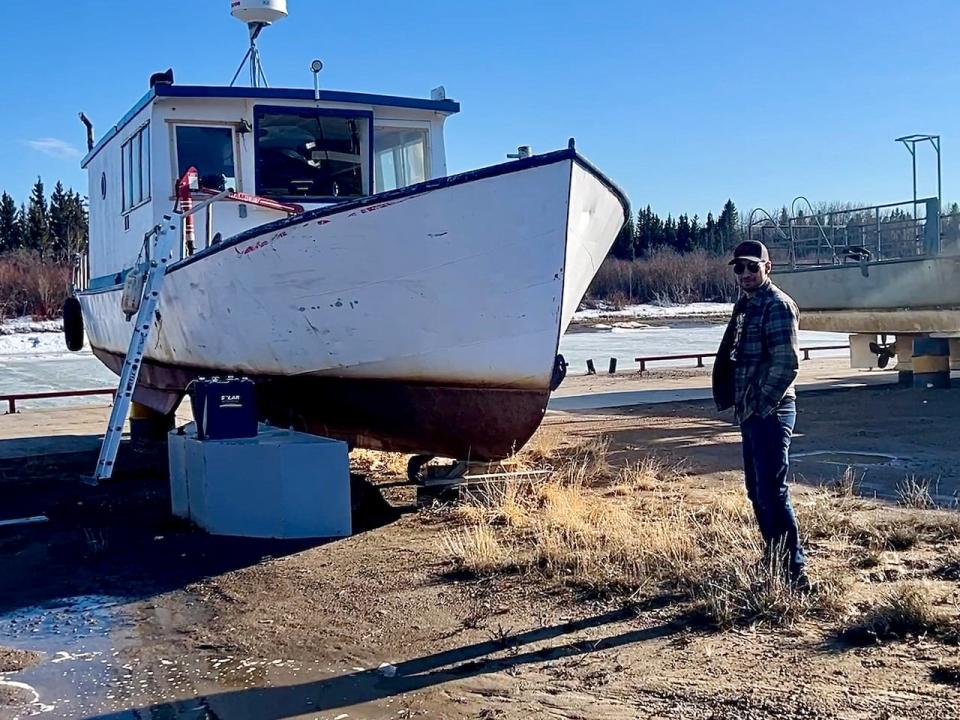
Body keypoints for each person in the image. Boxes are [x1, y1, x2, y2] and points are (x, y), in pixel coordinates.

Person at [712, 239, 809, 590]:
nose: (746, 273)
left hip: (773, 409)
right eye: (739, 268)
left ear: (768, 268)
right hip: (751, 411)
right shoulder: (747, 305)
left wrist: (760, 405)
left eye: (753, 267)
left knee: (772, 490)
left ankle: (795, 574)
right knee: (757, 490)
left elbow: (787, 364)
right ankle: (774, 558)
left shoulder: (777, 305)